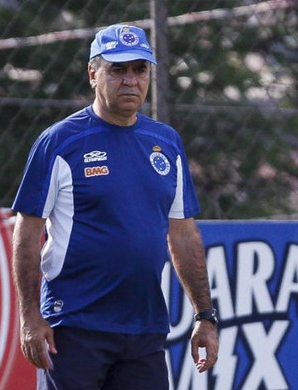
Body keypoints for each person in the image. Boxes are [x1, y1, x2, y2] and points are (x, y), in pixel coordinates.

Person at [12, 23, 219, 390]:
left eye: (140, 69)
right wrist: (29, 316)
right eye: (118, 69)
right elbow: (26, 232)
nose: (130, 80)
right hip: (74, 328)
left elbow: (183, 236)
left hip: (145, 330)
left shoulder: (166, 143)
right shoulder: (59, 142)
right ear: (93, 74)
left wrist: (205, 316)